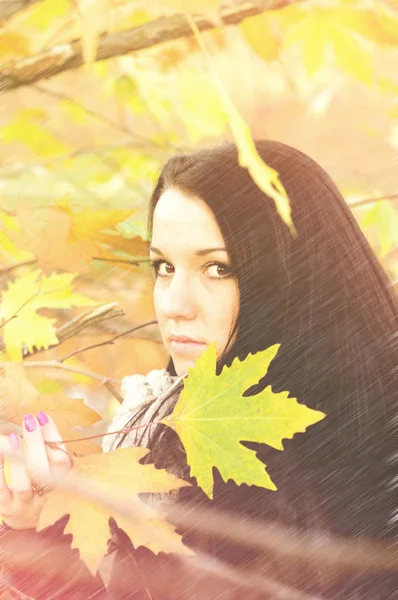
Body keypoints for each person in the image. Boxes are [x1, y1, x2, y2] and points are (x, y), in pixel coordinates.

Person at [0, 139, 397, 599]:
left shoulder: (272, 485)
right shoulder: (172, 427)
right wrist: (47, 527)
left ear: (294, 276)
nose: (173, 305)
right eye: (164, 266)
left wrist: (47, 552)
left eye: (218, 268)